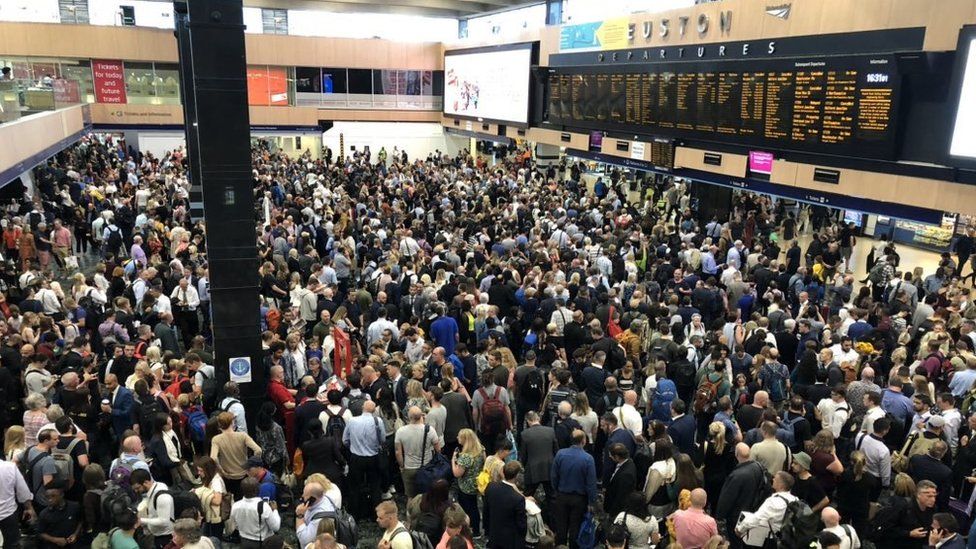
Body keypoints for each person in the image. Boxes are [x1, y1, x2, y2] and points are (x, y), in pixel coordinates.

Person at [550, 429, 597, 547]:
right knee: (575, 527)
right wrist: (592, 502)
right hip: (579, 499)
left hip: (562, 496)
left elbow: (554, 476)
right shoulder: (588, 458)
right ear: (584, 441)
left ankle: (560, 546)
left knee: (561, 526)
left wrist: (556, 490)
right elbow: (591, 484)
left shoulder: (560, 454)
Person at [342, 399, 386, 521]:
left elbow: (345, 440)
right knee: (375, 487)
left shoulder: (352, 421)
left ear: (362, 408)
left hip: (356, 458)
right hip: (373, 457)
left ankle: (355, 515)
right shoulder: (378, 421)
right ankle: (376, 515)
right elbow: (382, 439)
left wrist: (354, 446)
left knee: (355, 487)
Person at [735, 471, 799, 546]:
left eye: (775, 479)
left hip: (770, 540)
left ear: (781, 485)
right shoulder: (795, 499)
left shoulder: (773, 502)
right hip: (787, 539)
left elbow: (756, 519)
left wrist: (740, 529)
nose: (773, 480)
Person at [210, 411, 263, 499]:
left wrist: (222, 471)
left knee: (230, 500)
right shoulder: (242, 436)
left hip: (228, 476)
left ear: (219, 425)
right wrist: (251, 465)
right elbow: (258, 450)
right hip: (243, 474)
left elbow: (213, 457)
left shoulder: (216, 439)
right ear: (232, 422)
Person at [395, 406, 440, 498]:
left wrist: (402, 466)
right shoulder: (430, 430)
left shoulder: (401, 431)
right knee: (427, 495)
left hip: (409, 467)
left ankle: (410, 512)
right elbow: (438, 449)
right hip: (427, 467)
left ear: (409, 416)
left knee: (411, 496)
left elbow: (398, 452)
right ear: (422, 416)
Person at [483, 461, 527, 548]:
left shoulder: (491, 487)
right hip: (510, 541)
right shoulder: (518, 499)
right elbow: (521, 525)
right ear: (517, 476)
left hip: (493, 535)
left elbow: (486, 511)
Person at [451, 428, 485, 538]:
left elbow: (457, 473)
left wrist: (453, 460)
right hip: (477, 484)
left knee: (467, 509)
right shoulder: (481, 450)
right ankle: (477, 531)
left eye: (459, 437)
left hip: (465, 487)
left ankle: (468, 530)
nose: (457, 438)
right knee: (474, 507)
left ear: (465, 440)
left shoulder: (465, 456)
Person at [230, 477, 281, 548]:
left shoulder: (235, 506)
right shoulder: (264, 506)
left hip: (244, 541)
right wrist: (275, 510)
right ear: (258, 489)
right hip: (262, 542)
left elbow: (235, 526)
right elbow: (276, 527)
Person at [131, 468, 174, 548]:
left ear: (146, 482)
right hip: (158, 535)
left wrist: (141, 520)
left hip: (165, 537)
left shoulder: (162, 497)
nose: (137, 491)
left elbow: (164, 521)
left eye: (138, 488)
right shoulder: (155, 488)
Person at [604, 443, 637, 519]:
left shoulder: (626, 475)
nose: (609, 456)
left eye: (611, 455)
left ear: (617, 457)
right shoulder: (627, 462)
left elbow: (621, 497)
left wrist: (612, 513)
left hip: (616, 511)